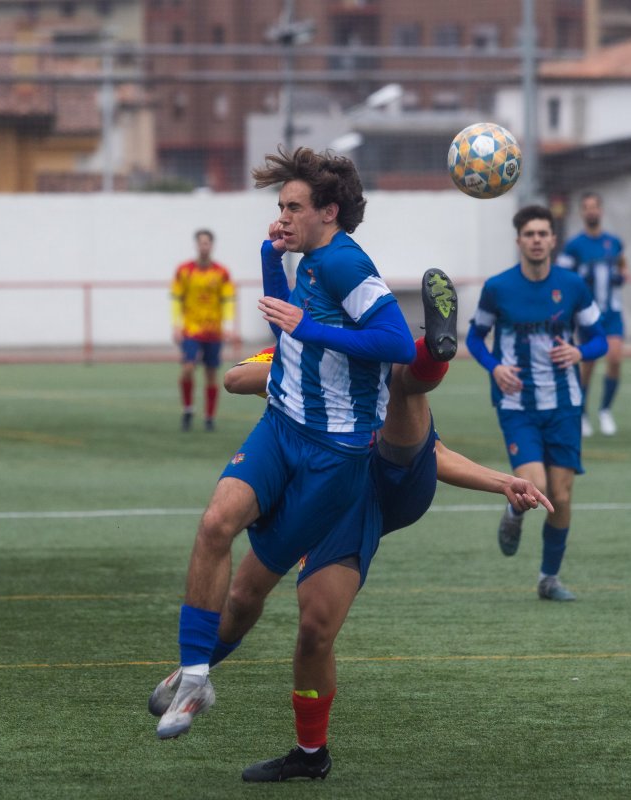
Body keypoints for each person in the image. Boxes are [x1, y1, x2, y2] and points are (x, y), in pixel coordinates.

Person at [150, 258, 552, 782]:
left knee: (406, 381)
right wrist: (308, 367)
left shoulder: (374, 346)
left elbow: (433, 450)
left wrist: (502, 481)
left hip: (387, 481)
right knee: (283, 615)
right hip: (323, 490)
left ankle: (434, 351)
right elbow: (235, 377)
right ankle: (293, 744)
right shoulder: (298, 341)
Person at [152, 146, 418, 773]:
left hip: (335, 455)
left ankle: (262, 715)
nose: (283, 217)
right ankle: (194, 676)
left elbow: (396, 341)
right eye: (279, 206)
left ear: (329, 212)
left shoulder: (347, 263)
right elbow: (284, 329)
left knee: (248, 593)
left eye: (293, 208)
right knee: (217, 523)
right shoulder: (306, 256)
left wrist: (309, 323)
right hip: (282, 426)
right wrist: (272, 260)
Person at [466, 205, 608, 603]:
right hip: (518, 406)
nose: (537, 240)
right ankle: (513, 514)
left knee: (560, 498)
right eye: (529, 234)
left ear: (553, 240)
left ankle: (548, 579)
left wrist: (580, 353)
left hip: (564, 405)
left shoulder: (573, 285)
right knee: (537, 487)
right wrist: (494, 368)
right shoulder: (498, 287)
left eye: (543, 233)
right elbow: (476, 338)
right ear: (519, 240)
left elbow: (599, 338)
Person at [555, 192, 628, 437]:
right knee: (588, 364)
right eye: (586, 207)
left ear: (601, 210)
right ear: (581, 213)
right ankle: (583, 413)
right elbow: (562, 275)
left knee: (615, 358)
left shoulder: (613, 242)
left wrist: (622, 275)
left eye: (594, 207)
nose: (591, 211)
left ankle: (605, 410)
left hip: (612, 312)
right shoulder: (575, 245)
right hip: (588, 314)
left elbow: (623, 264)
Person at [170, 229, 235, 431]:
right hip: (191, 328)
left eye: (207, 243)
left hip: (213, 330)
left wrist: (228, 325)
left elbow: (228, 300)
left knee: (211, 373)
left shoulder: (222, 272)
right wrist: (176, 325)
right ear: (196, 245)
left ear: (212, 245)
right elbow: (176, 299)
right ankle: (188, 409)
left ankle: (209, 417)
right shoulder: (184, 270)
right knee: (188, 367)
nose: (204, 246)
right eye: (201, 243)